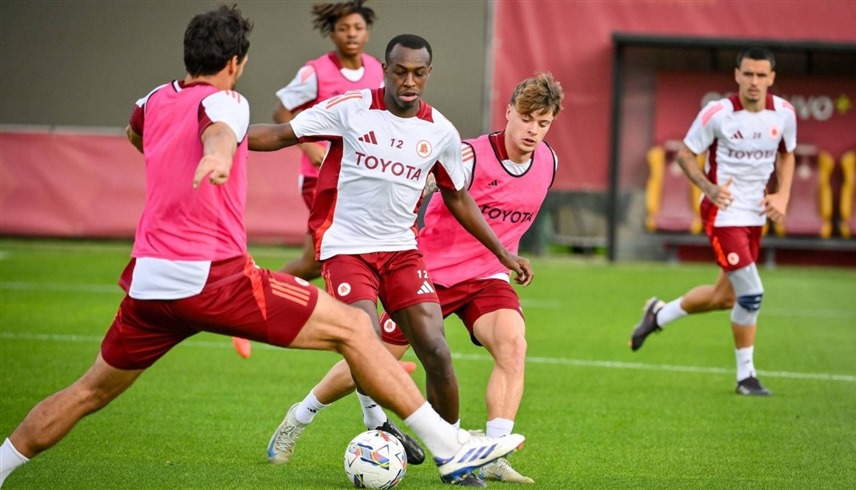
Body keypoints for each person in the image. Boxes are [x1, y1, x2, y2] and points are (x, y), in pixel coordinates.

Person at [0, 8, 523, 488]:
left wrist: (188, 154)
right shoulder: (228, 102)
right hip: (217, 278)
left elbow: (139, 134)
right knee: (353, 330)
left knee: (87, 391)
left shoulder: (153, 100)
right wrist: (218, 154)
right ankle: (448, 448)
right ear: (236, 62)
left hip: (148, 284)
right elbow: (221, 131)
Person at [248, 33, 534, 481]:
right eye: (400, 71)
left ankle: (453, 453)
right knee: (363, 342)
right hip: (346, 248)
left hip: (401, 251)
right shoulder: (352, 108)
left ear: (429, 74)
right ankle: (350, 419)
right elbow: (280, 134)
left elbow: (458, 198)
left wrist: (503, 253)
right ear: (385, 69)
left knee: (436, 351)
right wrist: (219, 136)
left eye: (418, 73)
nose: (409, 81)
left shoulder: (440, 131)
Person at [629, 46, 796, 396]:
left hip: (756, 215)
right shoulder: (718, 113)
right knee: (751, 294)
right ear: (737, 75)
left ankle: (658, 315)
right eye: (747, 74)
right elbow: (686, 155)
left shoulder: (783, 113)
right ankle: (746, 377)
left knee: (724, 298)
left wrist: (782, 195)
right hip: (723, 213)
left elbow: (787, 154)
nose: (754, 81)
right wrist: (709, 187)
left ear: (771, 78)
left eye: (761, 75)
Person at [231, 0, 382, 359]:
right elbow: (281, 111)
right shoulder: (315, 72)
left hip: (360, 180)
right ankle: (370, 347)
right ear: (332, 34)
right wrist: (309, 145)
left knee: (315, 262)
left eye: (358, 28)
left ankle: (246, 304)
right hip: (321, 180)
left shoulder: (378, 69)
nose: (351, 35)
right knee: (350, 254)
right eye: (344, 29)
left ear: (367, 32)